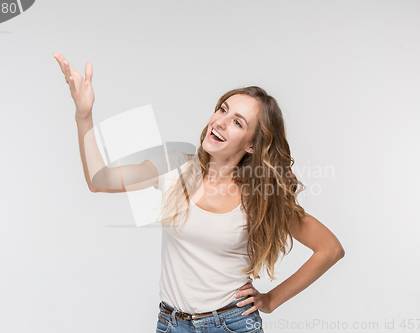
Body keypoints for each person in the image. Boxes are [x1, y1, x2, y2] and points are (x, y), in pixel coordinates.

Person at [53, 52, 345, 333]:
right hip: (171, 323)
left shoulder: (260, 195)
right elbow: (99, 180)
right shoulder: (176, 165)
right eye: (223, 109)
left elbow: (330, 249)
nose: (220, 122)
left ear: (252, 146)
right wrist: (84, 115)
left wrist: (270, 300)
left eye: (237, 122)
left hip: (231, 324)